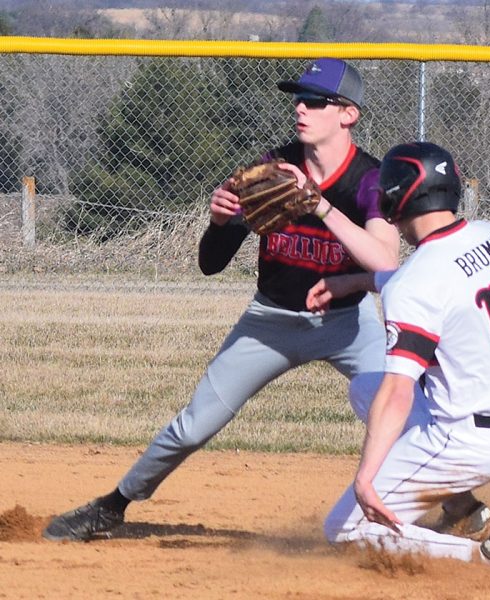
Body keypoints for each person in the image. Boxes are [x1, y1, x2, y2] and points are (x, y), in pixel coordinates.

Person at [42, 57, 404, 542]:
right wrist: (220, 222)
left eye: (315, 100)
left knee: (399, 409)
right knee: (193, 427)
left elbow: (385, 262)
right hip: (269, 322)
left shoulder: (368, 179)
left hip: (346, 324)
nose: (300, 107)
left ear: (347, 114)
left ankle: (455, 503)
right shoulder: (269, 169)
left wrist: (319, 203)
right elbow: (211, 264)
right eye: (298, 98)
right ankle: (112, 506)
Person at [306, 141, 490, 571]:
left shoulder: (417, 283)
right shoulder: (489, 234)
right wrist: (353, 282)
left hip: (467, 441)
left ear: (402, 196)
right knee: (363, 388)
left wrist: (365, 479)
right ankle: (463, 508)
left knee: (345, 530)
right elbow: (431, 281)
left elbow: (399, 390)